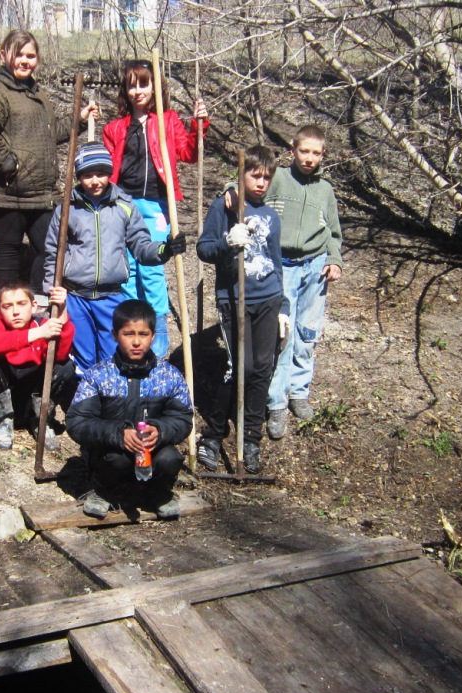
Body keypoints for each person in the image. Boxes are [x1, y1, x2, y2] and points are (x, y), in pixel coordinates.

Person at [0, 29, 98, 296]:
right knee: (6, 251)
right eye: (19, 54)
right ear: (4, 54)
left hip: (41, 193)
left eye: (30, 55)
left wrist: (79, 117)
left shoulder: (37, 94)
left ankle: (35, 301)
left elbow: (50, 134)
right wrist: (10, 166)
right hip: (6, 192)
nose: (25, 61)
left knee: (52, 247)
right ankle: (6, 308)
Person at [42, 141, 186, 373]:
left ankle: (111, 403)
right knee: (84, 357)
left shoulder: (124, 205)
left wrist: (165, 249)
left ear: (109, 173)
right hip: (76, 297)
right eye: (88, 175)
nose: (95, 181)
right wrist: (54, 291)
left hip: (111, 297)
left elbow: (141, 246)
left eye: (100, 174)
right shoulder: (67, 209)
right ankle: (87, 403)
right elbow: (53, 253)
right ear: (79, 177)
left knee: (112, 356)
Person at [102, 60, 208, 357]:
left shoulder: (168, 121)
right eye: (132, 84)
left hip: (157, 205)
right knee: (128, 271)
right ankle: (132, 336)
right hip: (123, 204)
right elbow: (107, 167)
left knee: (151, 269)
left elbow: (189, 154)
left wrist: (198, 126)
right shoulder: (114, 128)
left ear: (155, 86)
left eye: (144, 84)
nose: (138, 91)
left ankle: (158, 340)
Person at [195, 146, 289, 474]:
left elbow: (277, 262)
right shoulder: (225, 207)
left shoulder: (271, 217)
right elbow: (204, 248)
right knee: (241, 367)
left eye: (267, 177)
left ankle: (251, 438)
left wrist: (284, 306)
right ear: (242, 174)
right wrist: (227, 242)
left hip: (268, 298)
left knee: (263, 368)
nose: (261, 182)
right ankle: (213, 436)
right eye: (255, 175)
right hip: (234, 299)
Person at [66, 299, 193, 521]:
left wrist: (160, 431)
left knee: (170, 458)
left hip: (151, 452)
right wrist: (118, 434)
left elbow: (182, 418)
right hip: (110, 454)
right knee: (116, 460)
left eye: (143, 334)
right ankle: (103, 491)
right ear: (115, 335)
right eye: (128, 334)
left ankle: (157, 492)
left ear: (153, 336)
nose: (136, 342)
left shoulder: (169, 376)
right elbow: (77, 422)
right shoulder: (97, 375)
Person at [263, 124, 343, 439]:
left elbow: (334, 233)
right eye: (303, 151)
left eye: (315, 153)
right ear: (293, 151)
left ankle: (299, 391)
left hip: (315, 267)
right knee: (281, 334)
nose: (309, 158)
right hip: (282, 266)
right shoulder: (279, 178)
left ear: (323, 155)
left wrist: (334, 260)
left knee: (306, 333)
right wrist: (230, 190)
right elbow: (249, 184)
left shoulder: (325, 190)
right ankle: (276, 402)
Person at [0, 281, 76, 450]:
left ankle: (41, 421)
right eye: (7, 306)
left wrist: (62, 310)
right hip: (6, 396)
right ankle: (2, 423)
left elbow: (60, 354)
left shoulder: (42, 324)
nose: (16, 312)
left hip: (34, 398)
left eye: (22, 304)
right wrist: (37, 334)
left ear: (33, 306)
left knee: (64, 367)